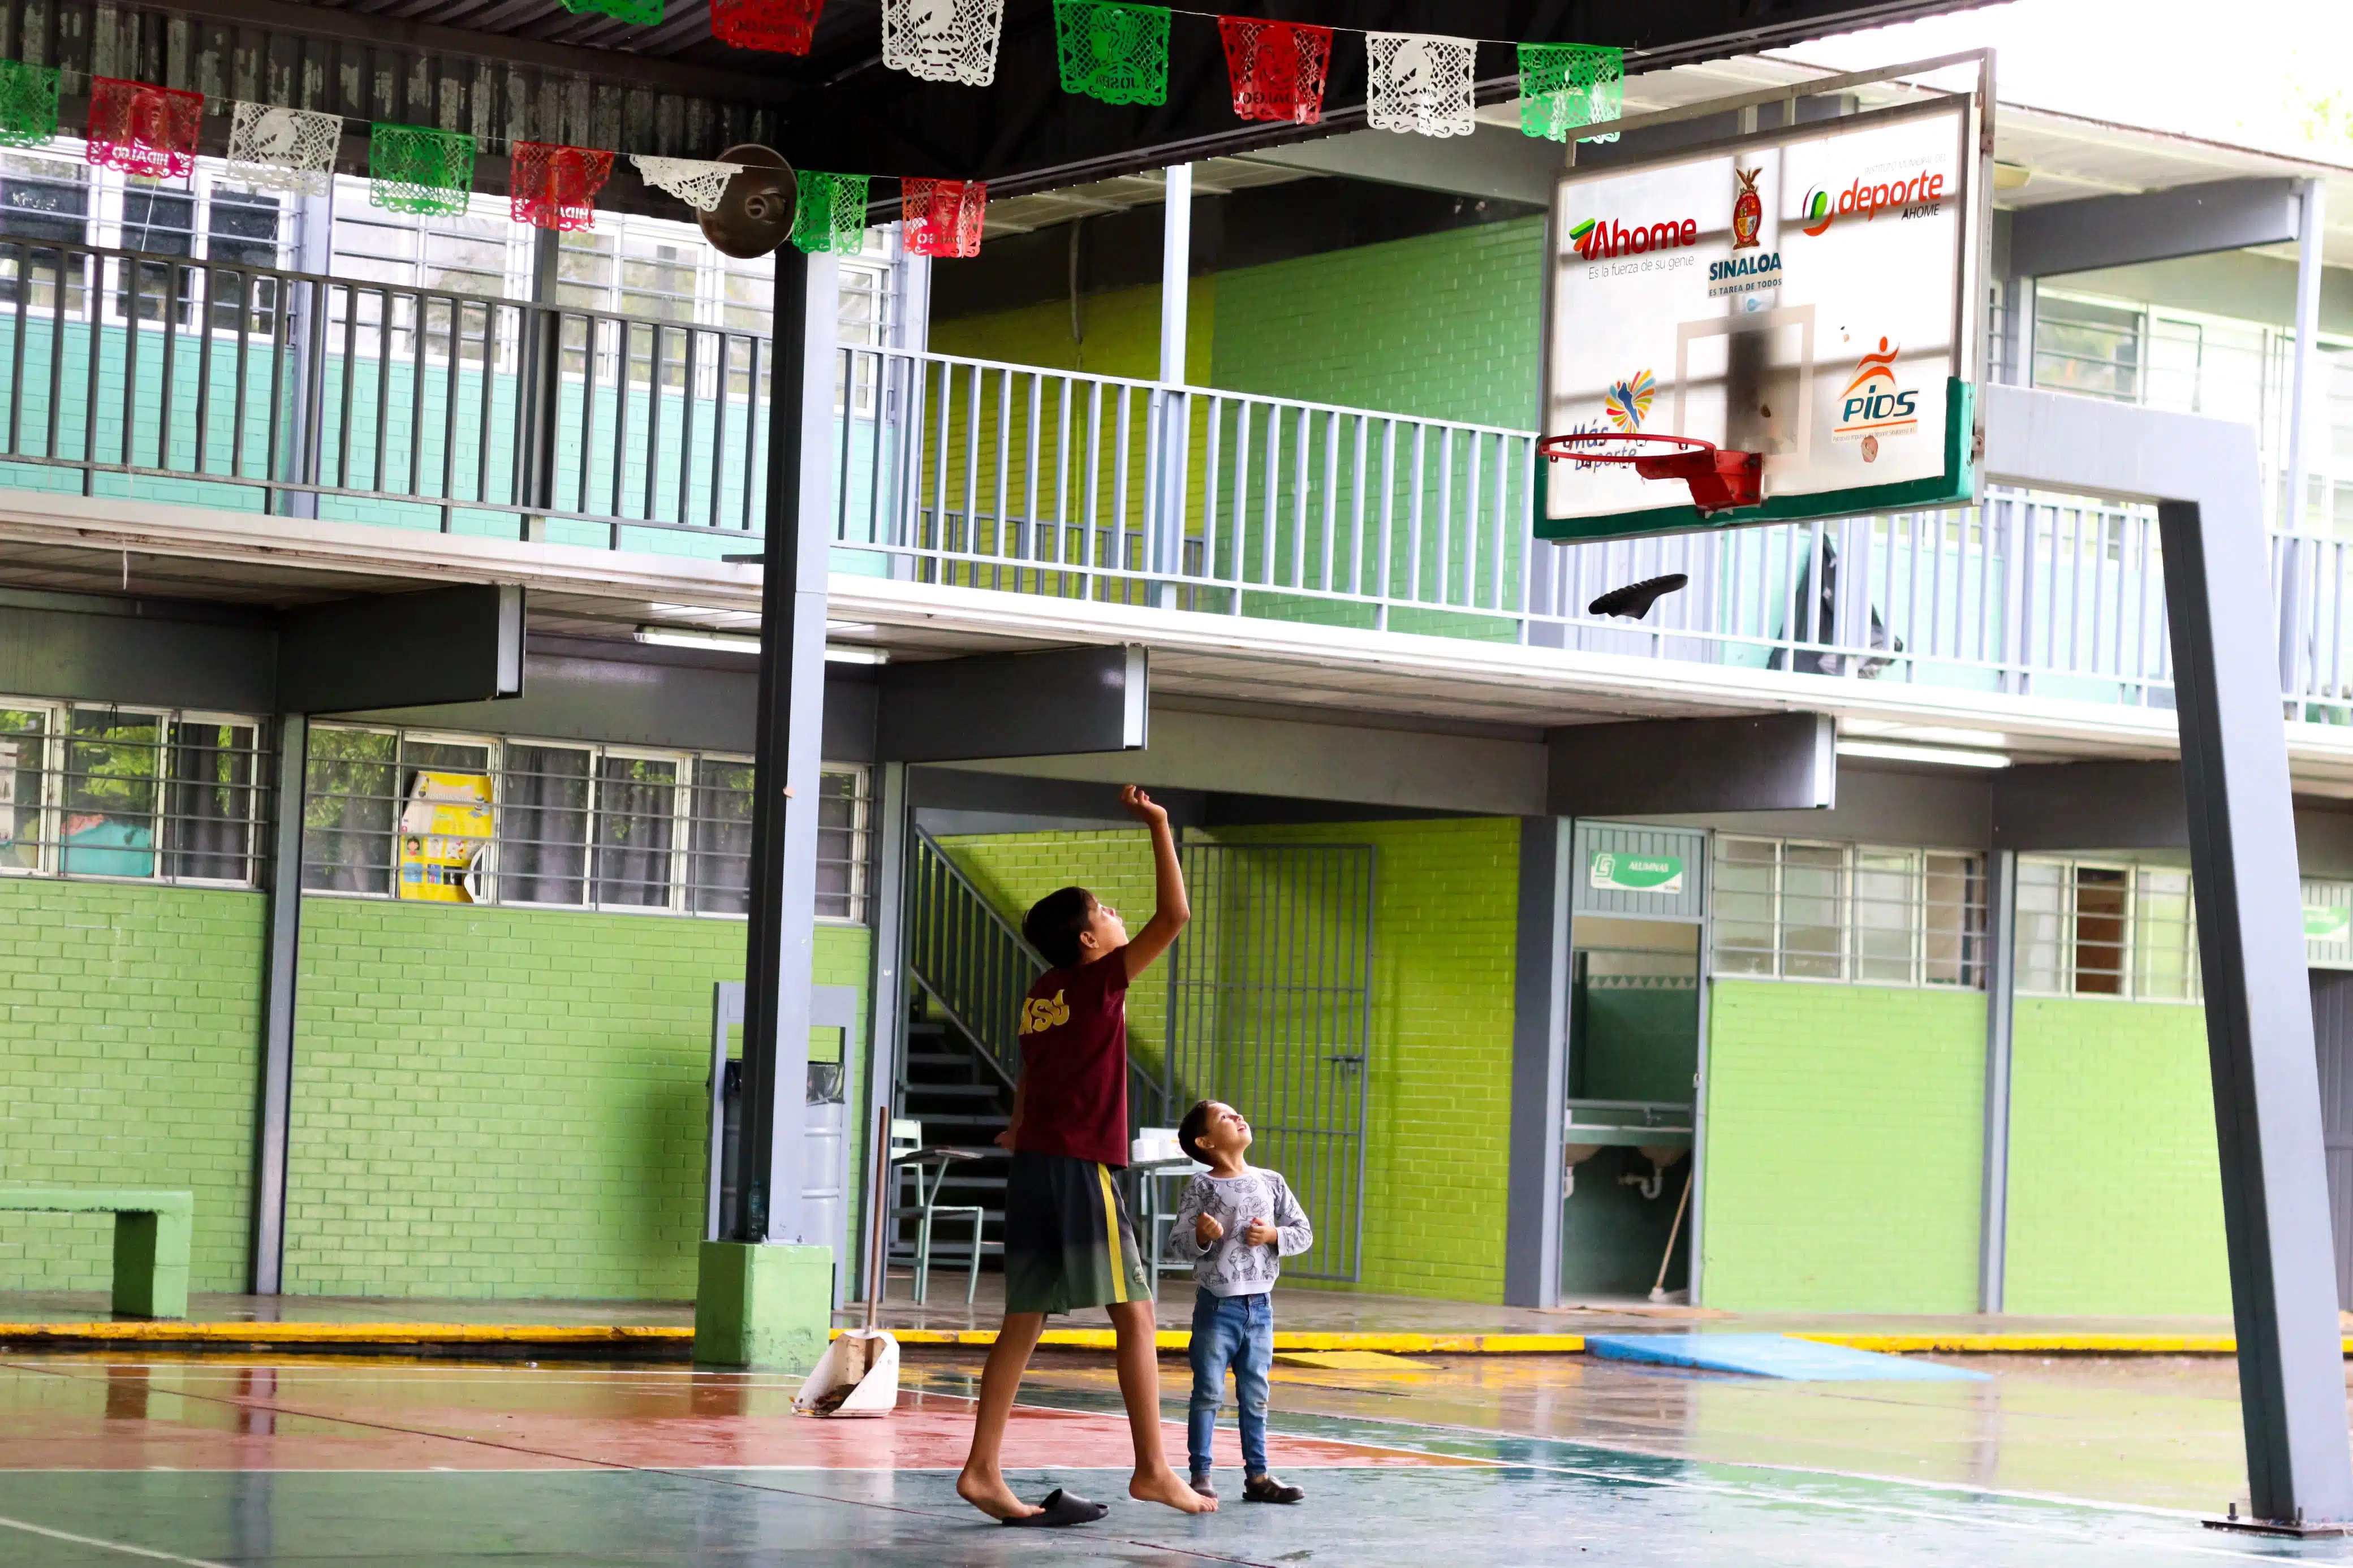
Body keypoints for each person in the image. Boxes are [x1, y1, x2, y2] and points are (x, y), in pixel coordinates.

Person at [955, 784, 1216, 1527]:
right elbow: (1177, 915)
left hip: (1036, 1164)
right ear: (1089, 942)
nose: (1114, 914)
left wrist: (1017, 1128)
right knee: (1136, 1316)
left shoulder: (1043, 992)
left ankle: (981, 1469)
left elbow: (1032, 1073)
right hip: (1077, 1168)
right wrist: (1160, 826)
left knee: (1025, 1320)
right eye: (1104, 910)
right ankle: (1153, 1468)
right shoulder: (1098, 982)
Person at [1165, 1099, 1313, 1505]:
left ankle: (1259, 1476)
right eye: (1225, 1117)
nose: (1238, 1117)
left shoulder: (1272, 1181)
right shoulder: (1202, 1186)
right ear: (1206, 1141)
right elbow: (1177, 1243)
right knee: (1209, 1391)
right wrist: (1202, 1234)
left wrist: (1274, 1236)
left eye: (1237, 1113)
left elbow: (1303, 1231)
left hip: (1261, 1308)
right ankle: (1200, 1475)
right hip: (1217, 1308)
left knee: (1256, 1392)